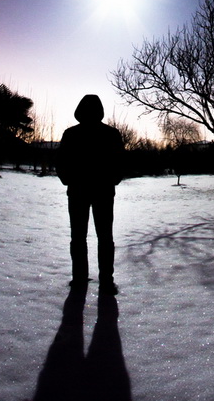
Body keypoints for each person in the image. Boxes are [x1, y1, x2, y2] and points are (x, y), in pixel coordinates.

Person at [56, 95, 125, 295]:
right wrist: (113, 179)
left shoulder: (72, 134)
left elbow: (61, 162)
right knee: (101, 237)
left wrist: (68, 179)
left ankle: (82, 279)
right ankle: (103, 280)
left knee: (81, 236)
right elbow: (120, 162)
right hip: (97, 191)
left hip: (84, 191)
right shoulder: (110, 133)